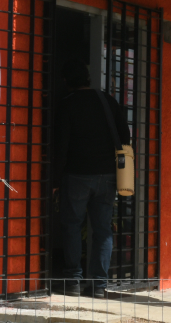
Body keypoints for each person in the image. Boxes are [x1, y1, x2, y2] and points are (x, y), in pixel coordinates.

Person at [53, 59, 131, 298]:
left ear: (66, 81)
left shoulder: (67, 105)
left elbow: (61, 145)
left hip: (76, 174)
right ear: (88, 78)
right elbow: (125, 136)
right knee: (102, 229)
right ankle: (98, 285)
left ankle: (73, 280)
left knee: (72, 225)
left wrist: (55, 180)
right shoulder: (107, 101)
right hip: (107, 176)